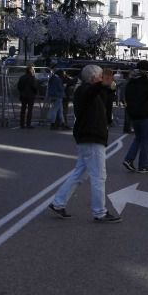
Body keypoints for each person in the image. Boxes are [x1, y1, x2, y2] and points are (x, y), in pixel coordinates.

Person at [48, 64, 121, 223]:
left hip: (89, 137)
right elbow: (93, 91)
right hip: (91, 137)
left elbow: (106, 106)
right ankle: (99, 212)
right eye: (101, 76)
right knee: (99, 176)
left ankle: (58, 203)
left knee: (79, 173)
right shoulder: (84, 90)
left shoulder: (91, 91)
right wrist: (102, 85)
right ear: (94, 78)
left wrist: (109, 89)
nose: (103, 79)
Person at [122, 60, 148, 174]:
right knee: (146, 140)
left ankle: (128, 159)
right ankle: (143, 165)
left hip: (133, 114)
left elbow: (126, 96)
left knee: (138, 138)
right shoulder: (147, 82)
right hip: (145, 114)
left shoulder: (131, 81)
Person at [16, 65, 39, 129]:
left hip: (23, 95)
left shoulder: (22, 77)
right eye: (33, 69)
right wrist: (36, 92)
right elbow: (34, 87)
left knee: (23, 110)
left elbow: (19, 87)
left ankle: (22, 124)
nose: (34, 71)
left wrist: (21, 92)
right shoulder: (32, 77)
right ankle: (28, 124)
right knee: (30, 110)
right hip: (30, 96)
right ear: (31, 70)